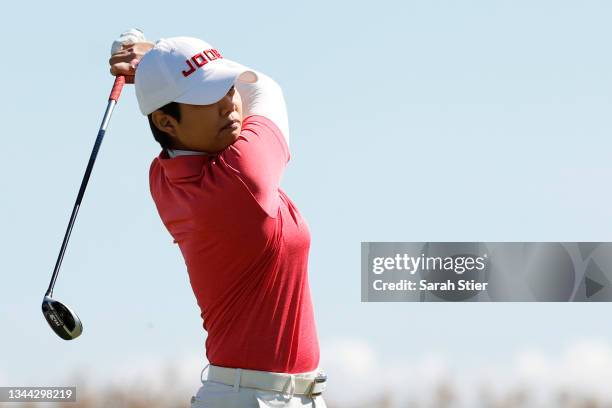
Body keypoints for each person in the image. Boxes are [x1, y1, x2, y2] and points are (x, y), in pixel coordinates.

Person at [109, 31, 328, 408]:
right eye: (208, 98)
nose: (229, 105)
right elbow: (268, 90)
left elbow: (246, 96)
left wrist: (157, 71)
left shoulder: (164, 176)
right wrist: (154, 63)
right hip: (254, 399)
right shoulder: (240, 177)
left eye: (228, 89)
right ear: (166, 122)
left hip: (268, 395)